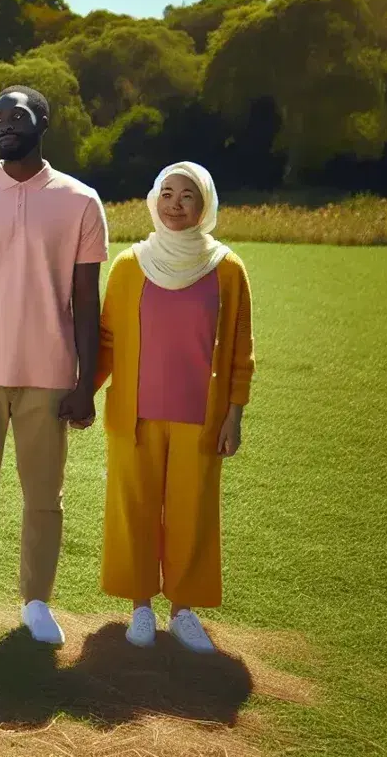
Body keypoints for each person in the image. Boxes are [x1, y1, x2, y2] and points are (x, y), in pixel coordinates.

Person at [0, 86, 108, 645]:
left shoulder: (81, 201)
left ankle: (36, 602)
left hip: (50, 374)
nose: (6, 125)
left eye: (18, 115)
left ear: (43, 122)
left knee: (43, 497)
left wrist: (85, 381)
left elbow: (87, 298)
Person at [97, 162, 254, 654]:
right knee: (135, 509)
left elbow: (240, 350)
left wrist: (235, 412)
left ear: (205, 204)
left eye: (188, 195)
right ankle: (140, 606)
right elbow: (106, 341)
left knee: (192, 514)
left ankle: (183, 609)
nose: (175, 204)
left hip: (200, 420)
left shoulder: (227, 269)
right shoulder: (129, 265)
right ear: (153, 199)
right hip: (136, 417)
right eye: (167, 193)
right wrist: (81, 395)